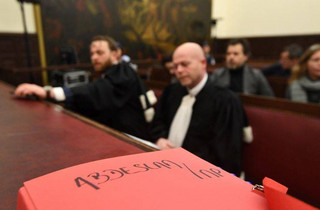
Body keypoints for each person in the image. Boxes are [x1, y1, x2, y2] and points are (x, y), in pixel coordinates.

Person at [14, 35, 150, 139]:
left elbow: (97, 92)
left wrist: (49, 93)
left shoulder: (124, 72)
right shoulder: (111, 73)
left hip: (132, 139)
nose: (94, 58)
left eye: (100, 53)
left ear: (115, 54)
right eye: (92, 54)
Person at [150, 42, 245, 176]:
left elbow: (226, 153)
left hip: (200, 175)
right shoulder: (171, 91)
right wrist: (159, 139)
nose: (179, 70)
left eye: (184, 64)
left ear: (203, 63)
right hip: (162, 165)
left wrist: (183, 162)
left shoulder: (225, 100)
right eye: (175, 66)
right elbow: (158, 123)